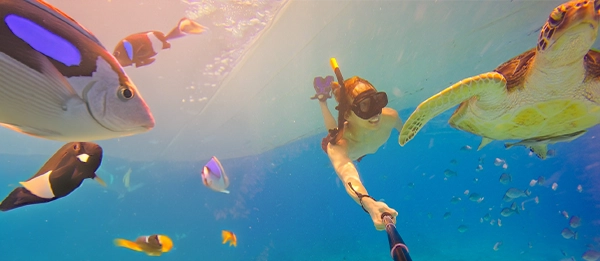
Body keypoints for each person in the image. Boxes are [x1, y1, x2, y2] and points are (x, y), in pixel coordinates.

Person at [312, 74, 403, 230]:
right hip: (352, 147)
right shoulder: (339, 146)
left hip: (361, 145)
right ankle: (322, 99)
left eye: (377, 101)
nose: (376, 112)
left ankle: (338, 93)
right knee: (333, 132)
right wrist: (368, 203)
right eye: (365, 106)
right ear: (347, 114)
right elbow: (349, 178)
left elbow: (406, 133)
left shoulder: (390, 117)